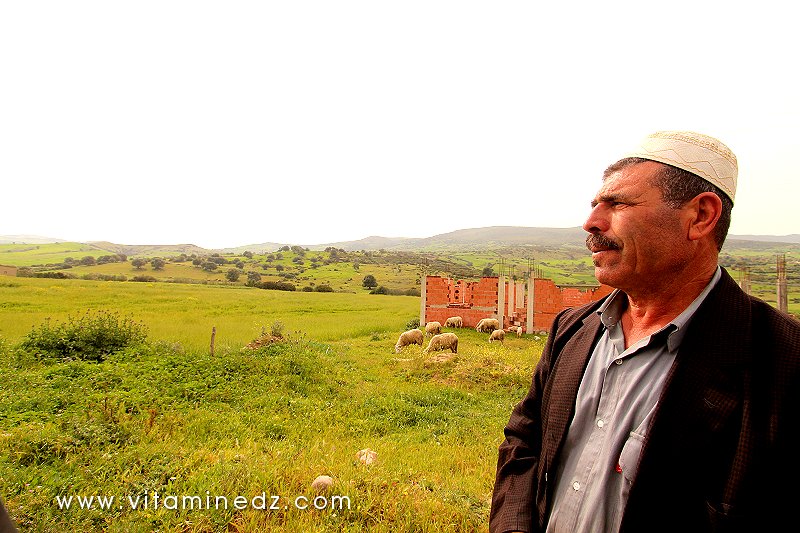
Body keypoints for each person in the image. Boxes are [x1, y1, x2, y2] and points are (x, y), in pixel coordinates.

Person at [489, 131, 800, 533]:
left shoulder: (783, 363)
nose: (591, 222)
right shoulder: (573, 330)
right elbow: (524, 443)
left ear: (701, 216)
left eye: (617, 203)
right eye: (596, 204)